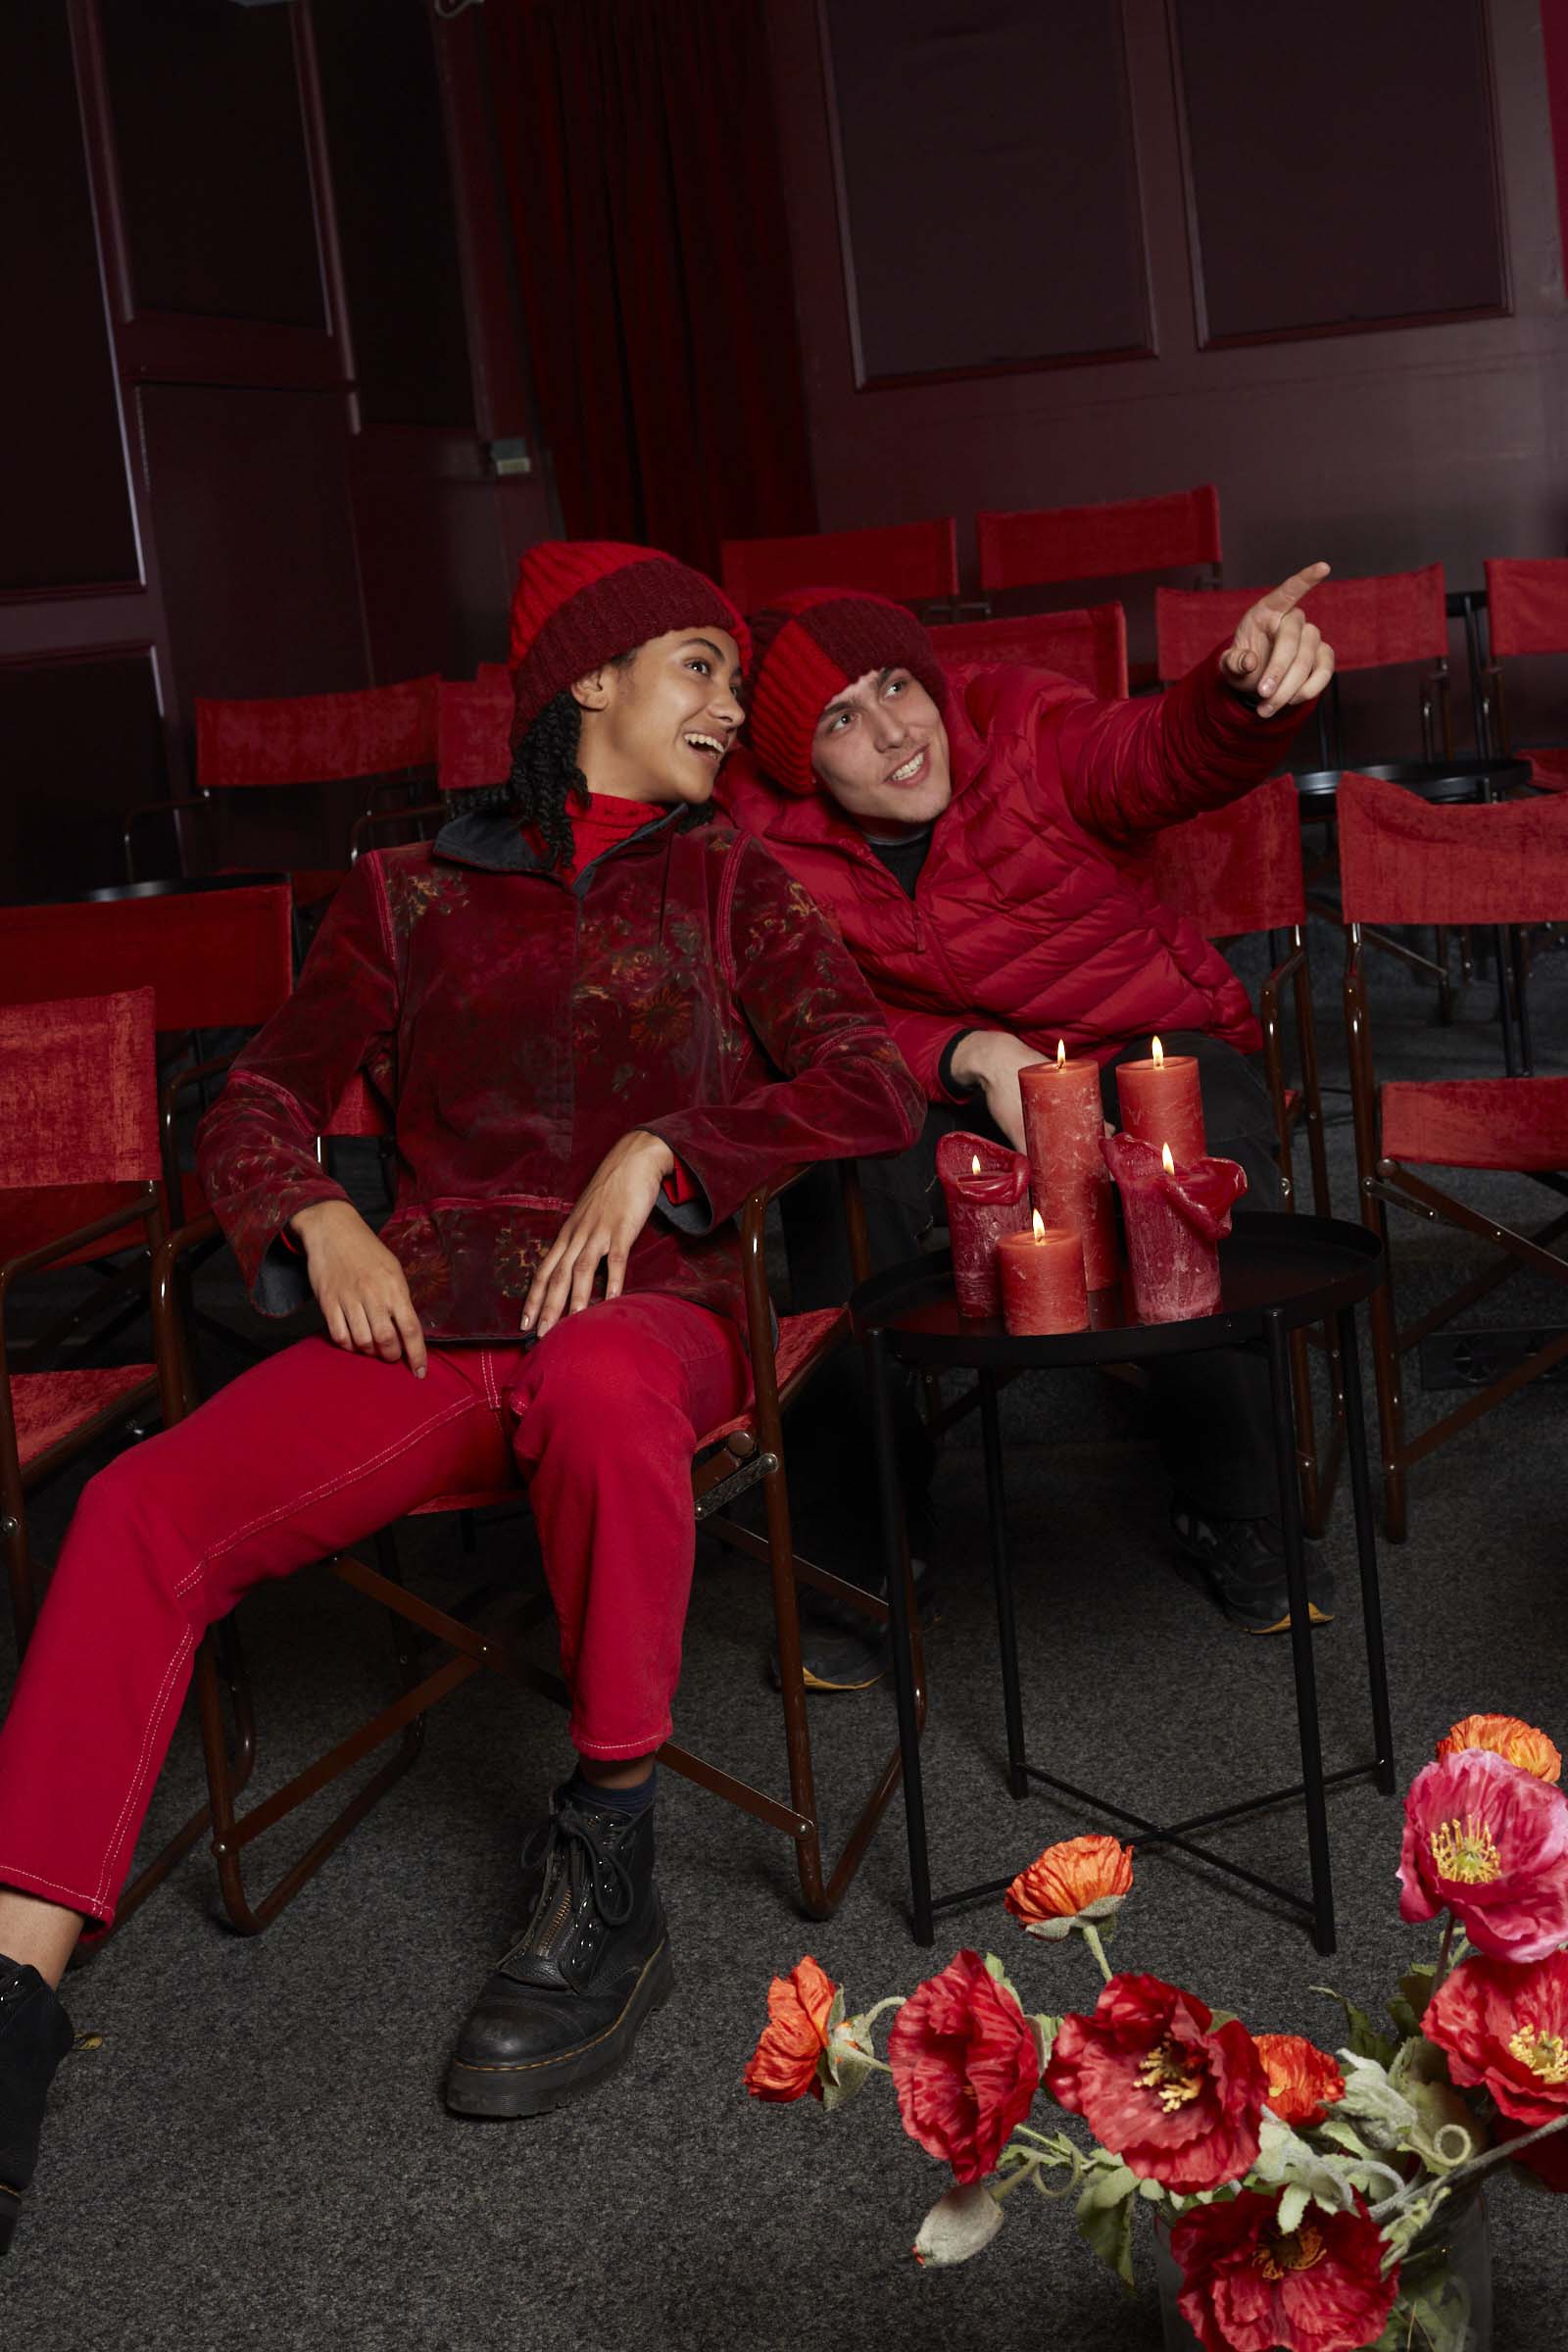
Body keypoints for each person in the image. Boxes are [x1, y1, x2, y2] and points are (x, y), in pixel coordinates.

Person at [0, 541, 921, 2254]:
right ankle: (13, 1997)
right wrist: (318, 1211)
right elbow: (252, 1104)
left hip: (657, 1319)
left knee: (593, 1375)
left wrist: (667, 1149)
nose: (734, 709)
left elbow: (869, 1080)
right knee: (131, 1506)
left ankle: (611, 1862)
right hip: (433, 1331)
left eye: (735, 680)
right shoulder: (403, 891)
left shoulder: (733, 879)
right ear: (592, 680)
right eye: (702, 668)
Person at [719, 564, 1337, 1684]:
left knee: (1193, 1148)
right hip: (939, 1082)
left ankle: (1237, 1506)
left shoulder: (1021, 729)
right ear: (799, 764)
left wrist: (1239, 697)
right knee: (833, 1185)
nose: (893, 733)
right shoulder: (763, 841)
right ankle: (861, 1556)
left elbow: (1158, 750)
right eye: (839, 720)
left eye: (895, 686)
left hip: (1132, 1040)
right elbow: (792, 1012)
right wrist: (966, 1052)